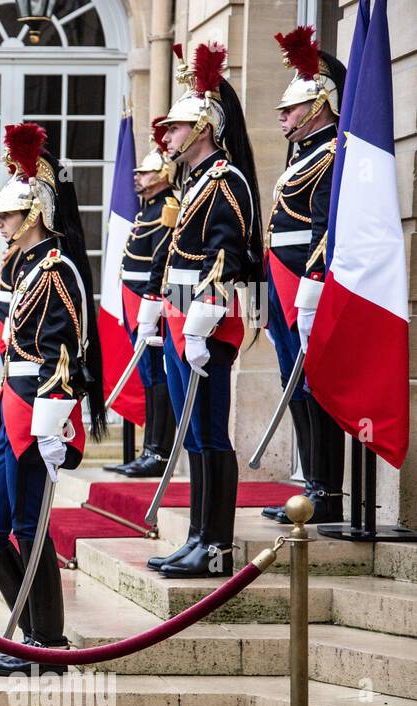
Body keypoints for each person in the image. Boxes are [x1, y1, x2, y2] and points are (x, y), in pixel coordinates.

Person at [0, 123, 108, 677]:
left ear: (32, 216)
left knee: (30, 528)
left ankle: (45, 644)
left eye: (6, 215)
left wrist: (54, 424)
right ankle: (29, 631)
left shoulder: (56, 269)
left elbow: (66, 355)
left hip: (37, 415)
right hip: (12, 408)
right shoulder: (23, 265)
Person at [149, 42, 262, 579]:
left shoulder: (225, 180)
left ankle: (216, 544)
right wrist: (159, 308)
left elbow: (228, 256)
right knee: (191, 433)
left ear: (203, 129)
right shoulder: (195, 182)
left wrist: (199, 324)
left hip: (205, 324)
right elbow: (179, 257)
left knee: (211, 433)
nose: (166, 136)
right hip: (180, 318)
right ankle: (196, 535)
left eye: (174, 128)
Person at [261, 26, 347, 525]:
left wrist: (314, 281)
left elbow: (325, 227)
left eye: (291, 109)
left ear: (319, 106)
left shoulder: (333, 154)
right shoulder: (303, 157)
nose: (282, 116)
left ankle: (326, 490)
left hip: (306, 283)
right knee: (291, 382)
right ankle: (310, 484)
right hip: (281, 280)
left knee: (315, 384)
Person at [106, 120, 179, 479]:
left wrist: (152, 296)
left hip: (151, 302)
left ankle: (159, 451)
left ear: (164, 173)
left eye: (145, 173)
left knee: (157, 377)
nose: (137, 178)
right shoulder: (145, 208)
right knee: (148, 377)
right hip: (136, 299)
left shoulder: (168, 206)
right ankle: (148, 447)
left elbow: (162, 257)